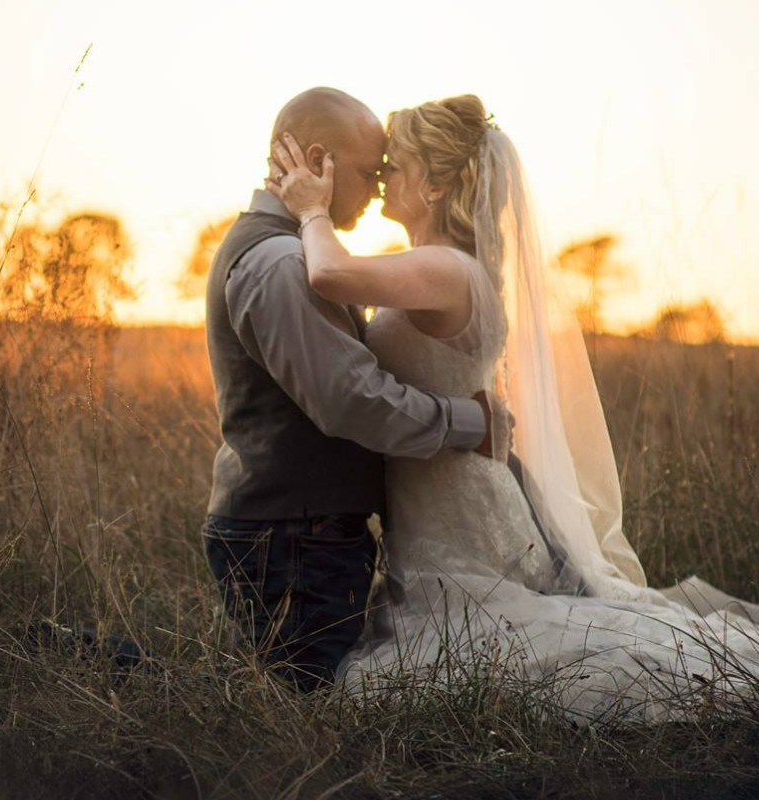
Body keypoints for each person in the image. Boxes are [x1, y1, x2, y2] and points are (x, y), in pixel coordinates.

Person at [264, 92, 759, 723]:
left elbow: (327, 271)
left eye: (403, 162)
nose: (387, 172)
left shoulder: (446, 267)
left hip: (457, 514)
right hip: (457, 495)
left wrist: (309, 209)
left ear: (441, 180)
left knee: (519, 652)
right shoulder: (442, 266)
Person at [199, 87, 519, 693]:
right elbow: (351, 398)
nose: (376, 188)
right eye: (371, 171)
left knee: (301, 694)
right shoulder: (282, 262)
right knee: (314, 704)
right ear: (318, 161)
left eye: (388, 171)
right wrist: (470, 423)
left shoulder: (301, 252)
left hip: (311, 530)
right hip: (294, 533)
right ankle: (85, 657)